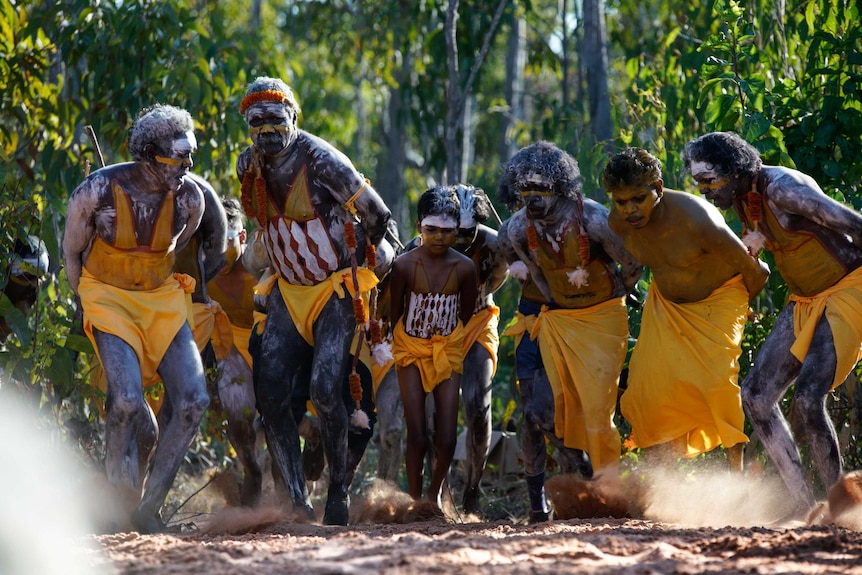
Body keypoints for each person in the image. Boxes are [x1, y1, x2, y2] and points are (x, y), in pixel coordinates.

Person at [237, 77, 394, 525]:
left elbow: (379, 214)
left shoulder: (323, 161)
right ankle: (296, 499)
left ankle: (339, 492)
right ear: (247, 124)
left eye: (275, 118)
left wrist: (358, 264)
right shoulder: (247, 164)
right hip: (288, 289)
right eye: (257, 121)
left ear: (293, 115)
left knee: (328, 389)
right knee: (269, 394)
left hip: (335, 288)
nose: (267, 128)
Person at [683, 131, 862, 515]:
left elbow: (855, 225)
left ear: (734, 172)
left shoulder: (783, 190)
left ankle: (841, 508)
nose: (706, 193)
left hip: (849, 288)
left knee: (809, 398)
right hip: (805, 300)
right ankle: (802, 507)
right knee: (756, 397)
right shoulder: (742, 199)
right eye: (700, 185)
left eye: (710, 182)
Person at [62, 104, 209, 533]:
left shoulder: (189, 197)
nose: (187, 167)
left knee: (194, 400)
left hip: (160, 298)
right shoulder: (95, 192)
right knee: (125, 402)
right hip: (106, 296)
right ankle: (111, 507)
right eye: (179, 157)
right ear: (148, 154)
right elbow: (72, 254)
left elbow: (173, 245)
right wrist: (88, 302)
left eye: (191, 157)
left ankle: (150, 509)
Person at [497, 141, 642, 522]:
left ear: (562, 188)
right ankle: (576, 486)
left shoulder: (592, 220)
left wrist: (613, 298)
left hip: (603, 321)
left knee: (597, 411)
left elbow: (631, 262)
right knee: (545, 411)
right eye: (525, 191)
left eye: (541, 190)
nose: (533, 199)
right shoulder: (515, 229)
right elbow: (533, 272)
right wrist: (555, 301)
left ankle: (610, 492)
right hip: (557, 321)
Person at [603, 147, 770, 470]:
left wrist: (736, 310)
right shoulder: (619, 223)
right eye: (620, 201)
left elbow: (756, 271)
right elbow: (638, 261)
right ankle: (660, 483)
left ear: (659, 189)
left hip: (719, 300)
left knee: (717, 386)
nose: (630, 210)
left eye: (639, 198)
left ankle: (736, 477)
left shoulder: (697, 218)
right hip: (665, 305)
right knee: (644, 390)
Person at [401, 184, 509, 512]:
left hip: (475, 324)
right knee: (432, 419)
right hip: (432, 335)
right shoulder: (416, 247)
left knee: (477, 404)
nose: (457, 242)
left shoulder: (494, 245)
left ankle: (473, 485)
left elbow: (496, 281)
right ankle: (435, 496)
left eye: (466, 235)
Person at [389, 186, 478, 511]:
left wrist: (445, 338)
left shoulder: (465, 268)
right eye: (431, 230)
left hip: (447, 348)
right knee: (417, 434)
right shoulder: (404, 266)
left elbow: (466, 312)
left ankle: (434, 495)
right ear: (418, 228)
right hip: (410, 347)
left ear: (457, 231)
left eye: (447, 232)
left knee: (447, 437)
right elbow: (394, 310)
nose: (439, 238)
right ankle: (416, 503)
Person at [205, 197, 266, 506]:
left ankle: (291, 493)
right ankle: (251, 470)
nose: (221, 250)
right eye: (215, 241)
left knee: (282, 414)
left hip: (268, 346)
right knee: (236, 409)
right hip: (228, 349)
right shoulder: (205, 270)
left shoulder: (261, 268)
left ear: (243, 238)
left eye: (228, 241)